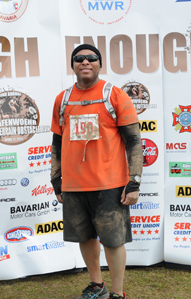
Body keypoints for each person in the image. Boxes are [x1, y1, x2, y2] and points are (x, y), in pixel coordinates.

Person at [50, 44, 142, 299]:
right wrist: (55, 178)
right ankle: (97, 286)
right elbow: (57, 142)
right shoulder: (63, 99)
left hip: (109, 184)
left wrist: (134, 181)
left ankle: (117, 293)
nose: (85, 62)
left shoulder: (115, 95)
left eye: (92, 58)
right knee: (85, 237)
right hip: (74, 185)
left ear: (100, 64)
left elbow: (134, 141)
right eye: (79, 58)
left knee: (113, 241)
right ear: (73, 65)